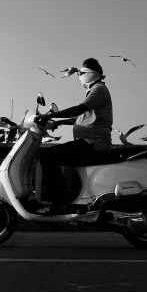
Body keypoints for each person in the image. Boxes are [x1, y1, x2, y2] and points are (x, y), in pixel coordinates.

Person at [33, 57, 113, 213]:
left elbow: (78, 109)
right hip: (88, 143)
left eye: (82, 72)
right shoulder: (94, 91)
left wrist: (50, 116)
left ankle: (60, 203)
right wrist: (58, 122)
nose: (79, 75)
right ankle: (68, 202)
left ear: (91, 74)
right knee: (54, 156)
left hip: (94, 144)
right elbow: (81, 118)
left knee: (47, 156)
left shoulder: (99, 90)